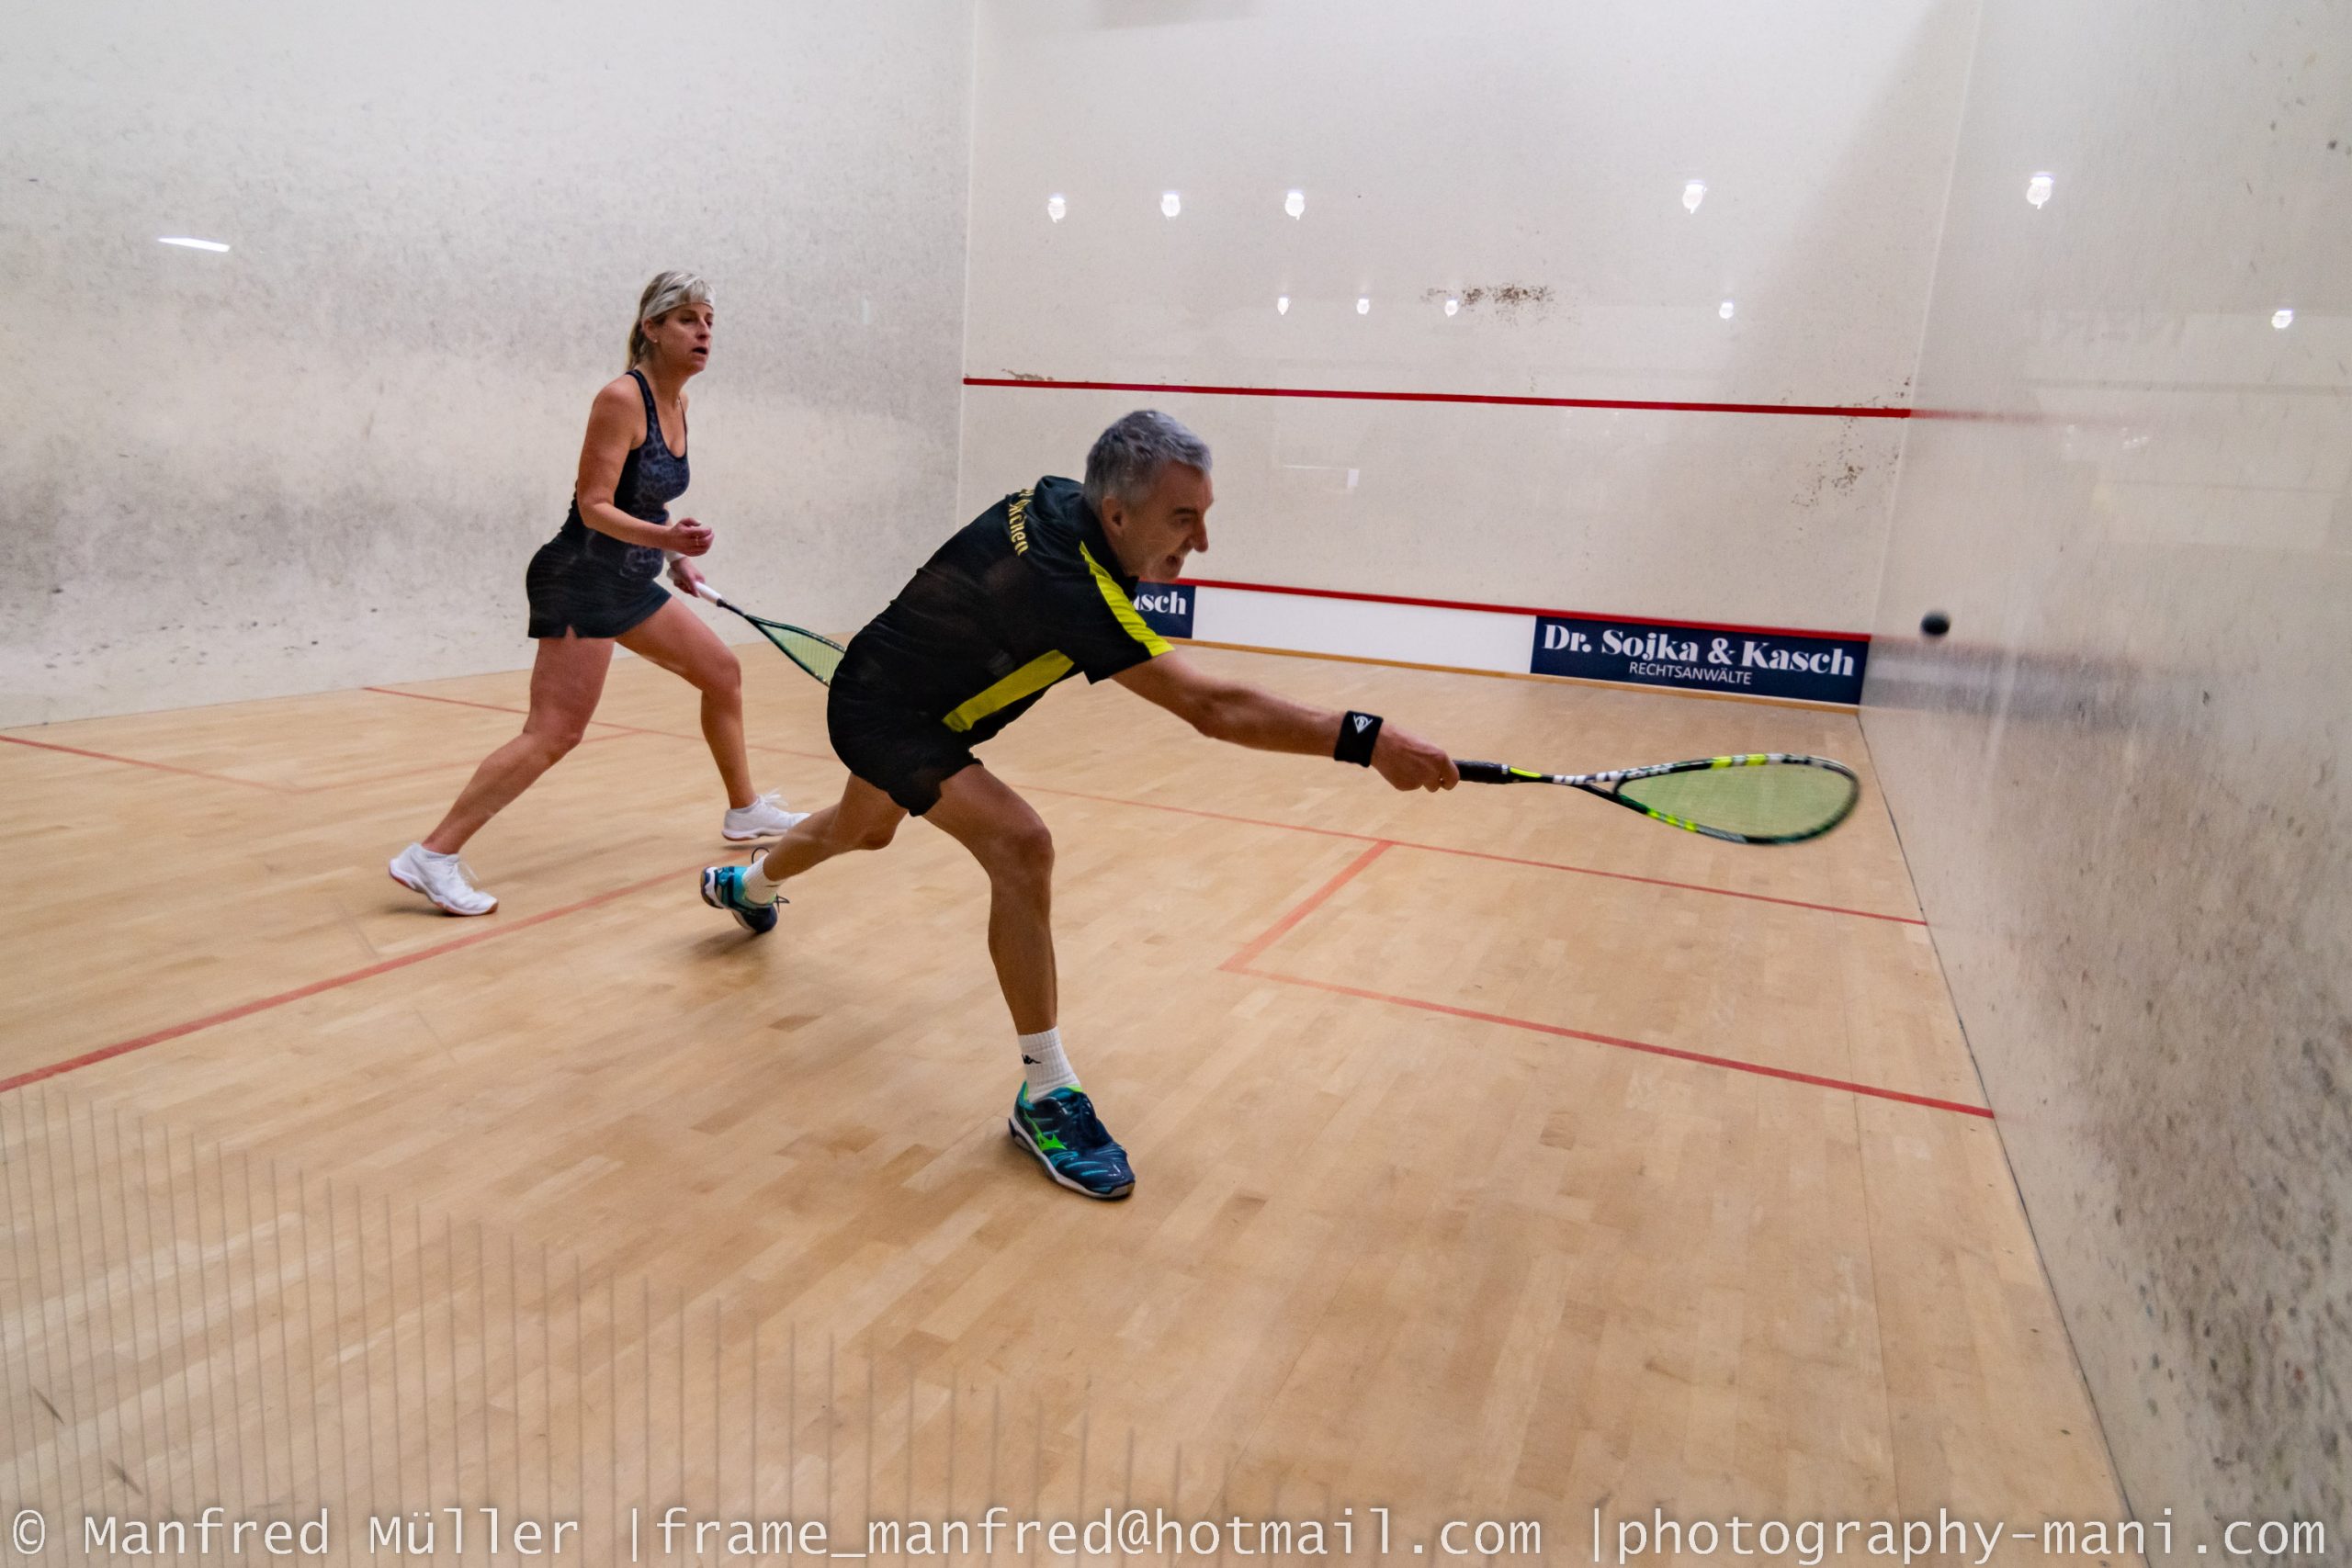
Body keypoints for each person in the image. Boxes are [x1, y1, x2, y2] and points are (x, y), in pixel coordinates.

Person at [698, 411, 1456, 1198]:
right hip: (887, 716)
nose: (1200, 542)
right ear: (1117, 513)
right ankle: (1047, 1092)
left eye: (1203, 516)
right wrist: (1367, 740)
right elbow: (1211, 708)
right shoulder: (1072, 586)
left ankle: (748, 886)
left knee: (861, 831)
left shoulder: (1065, 500)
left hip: (895, 691)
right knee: (1020, 844)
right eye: (1183, 518)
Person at [390, 271, 802, 916]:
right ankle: (432, 854)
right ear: (652, 328)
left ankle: (744, 810)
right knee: (554, 732)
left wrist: (673, 558)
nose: (703, 332)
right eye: (687, 319)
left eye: (709, 321)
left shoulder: (678, 403)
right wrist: (668, 539)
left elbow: (646, 498)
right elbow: (594, 505)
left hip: (628, 579)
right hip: (579, 577)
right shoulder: (620, 398)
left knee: (721, 673)